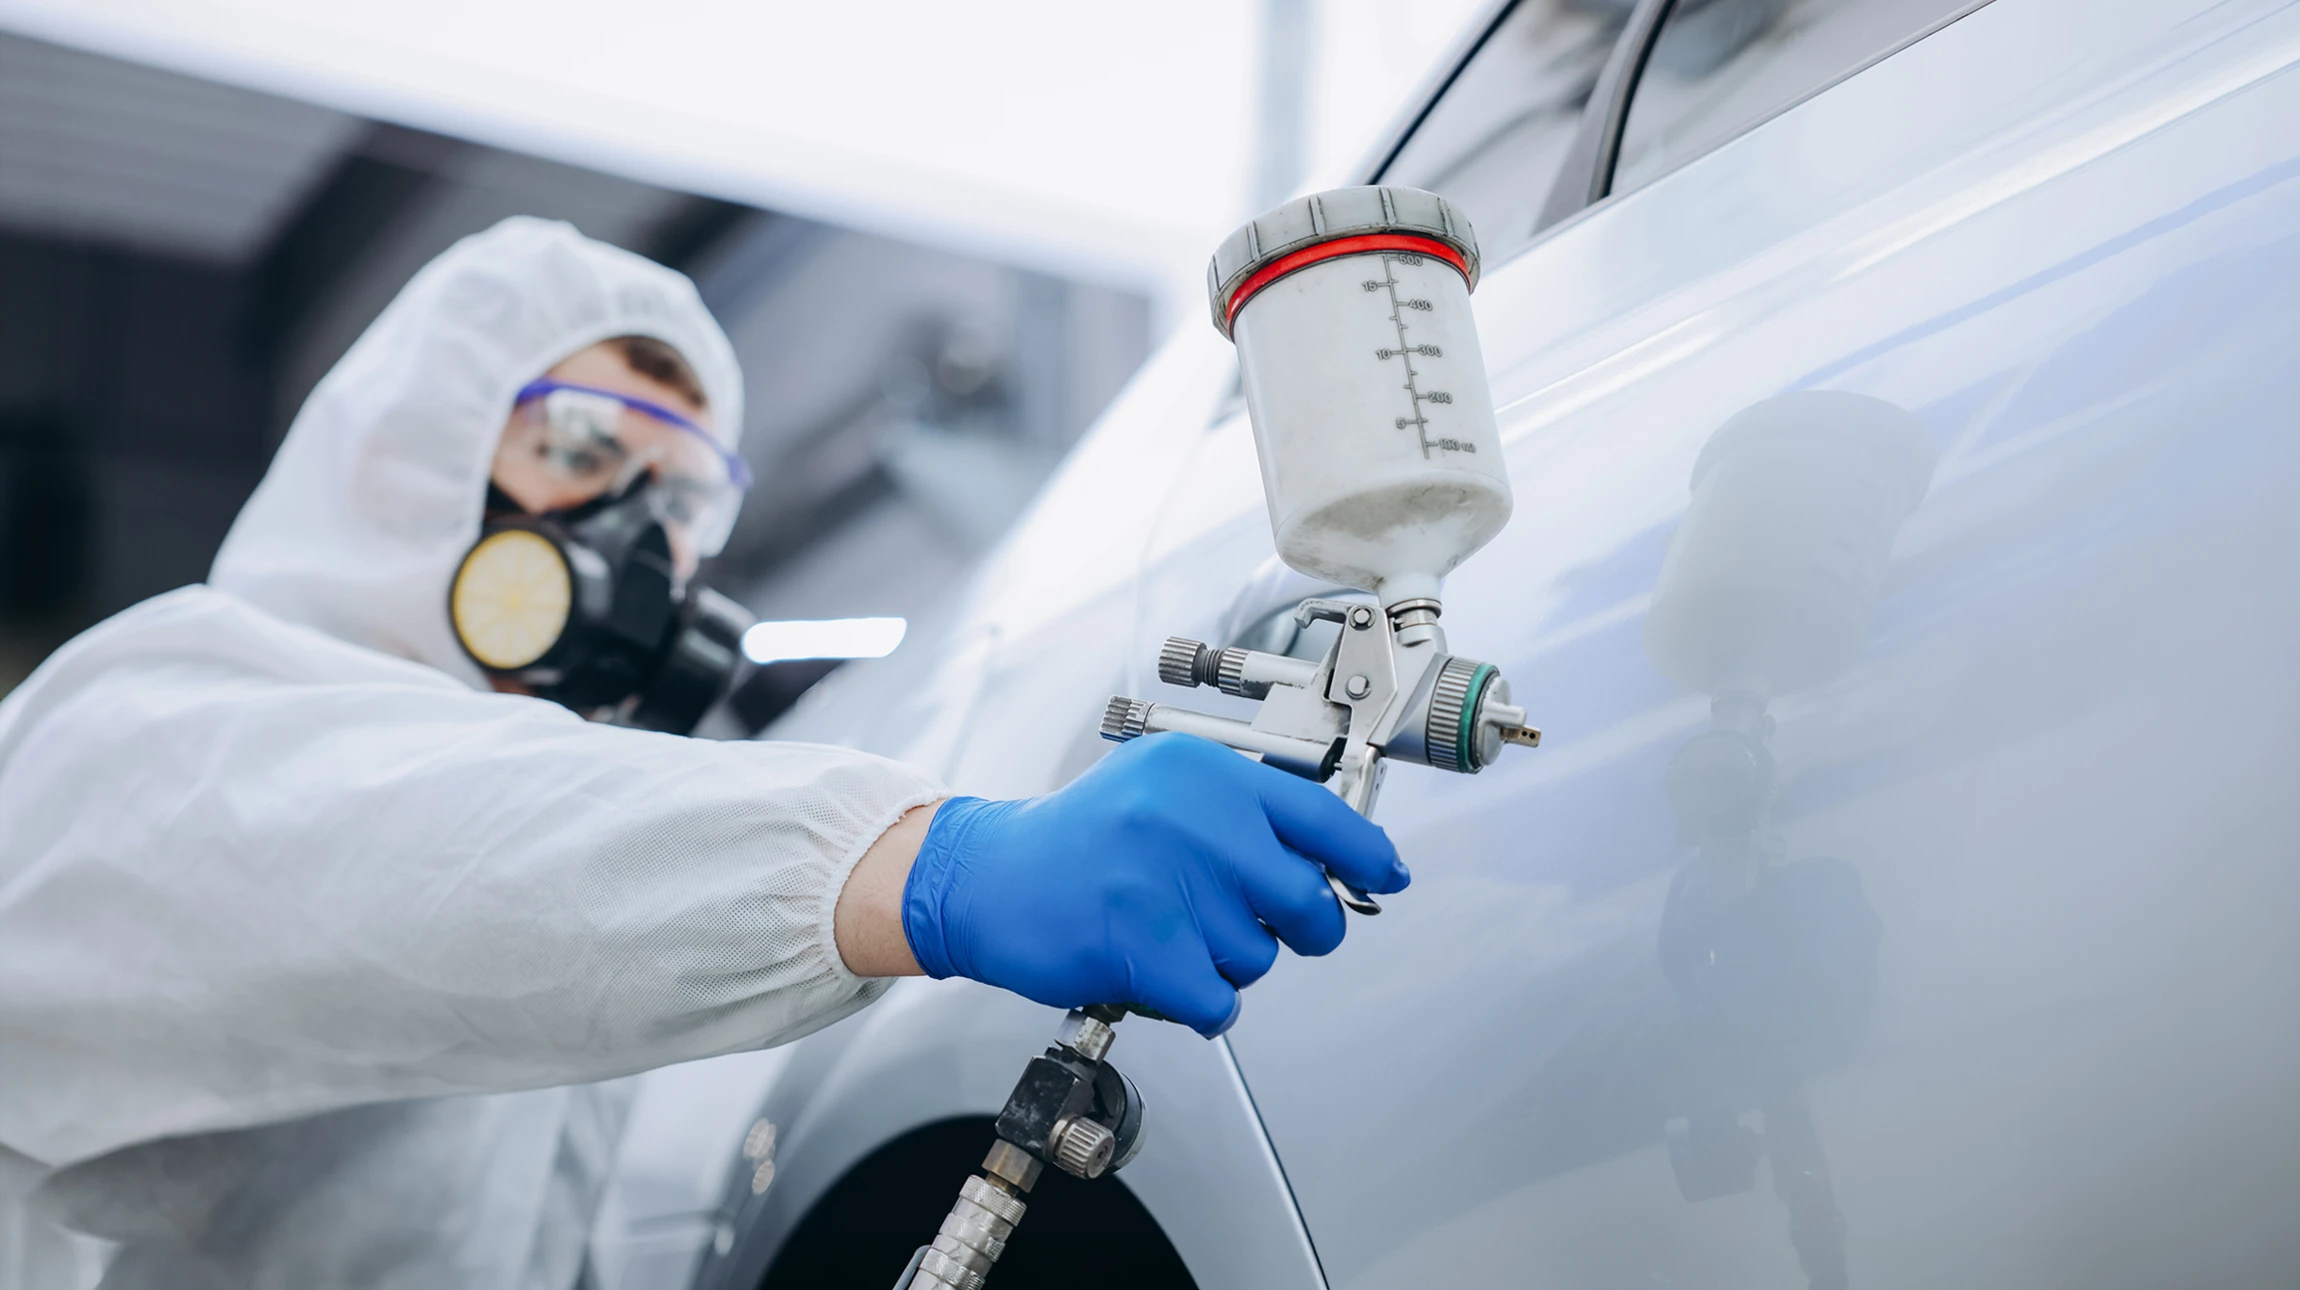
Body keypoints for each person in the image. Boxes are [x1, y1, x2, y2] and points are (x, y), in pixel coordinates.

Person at [0, 218, 1406, 1288]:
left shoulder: (600, 913)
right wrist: (930, 865)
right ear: (407, 451)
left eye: (682, 488)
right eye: (582, 442)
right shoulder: (142, 721)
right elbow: (416, 853)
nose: (637, 524)